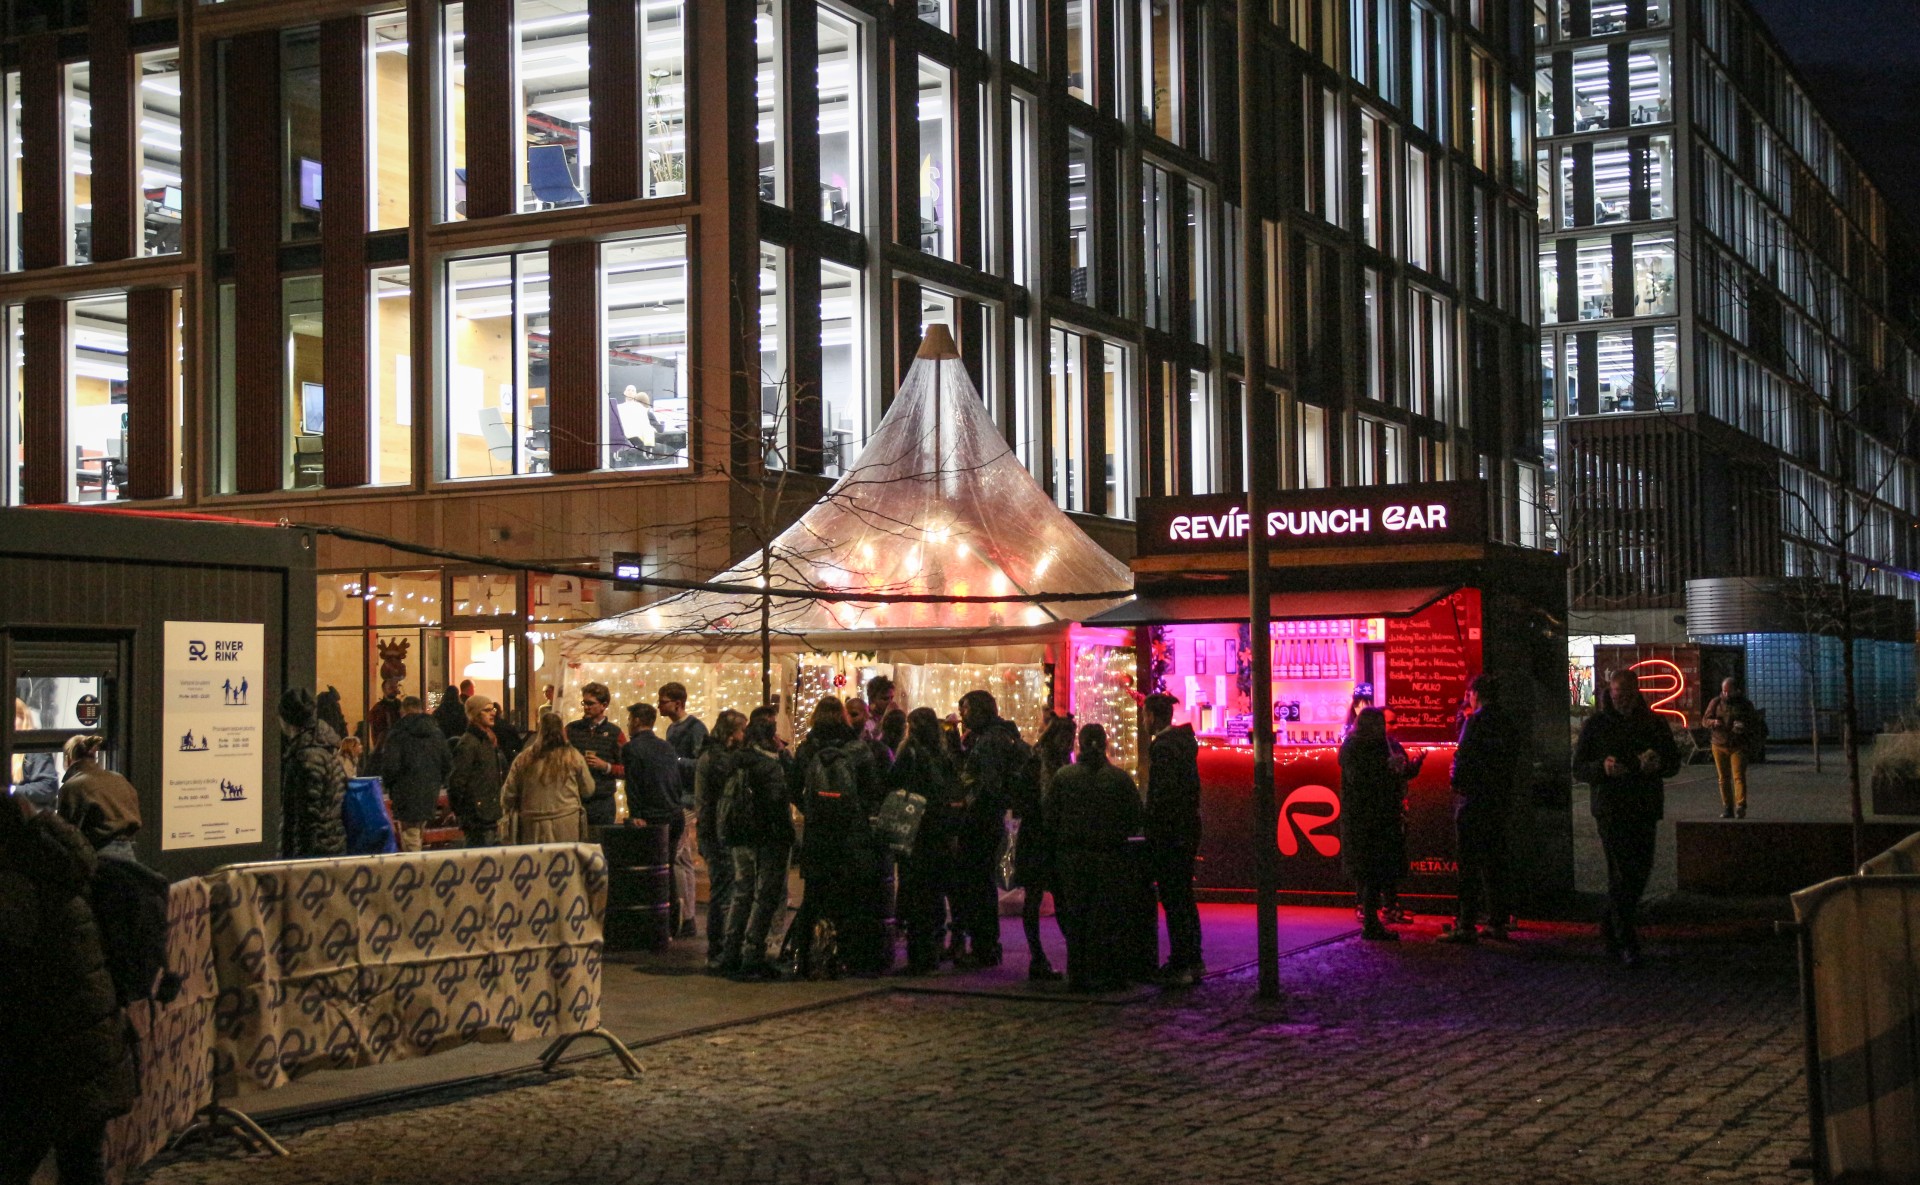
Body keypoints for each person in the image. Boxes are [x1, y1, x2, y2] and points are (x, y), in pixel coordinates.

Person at [0, 798, 137, 1185]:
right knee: (82, 1163)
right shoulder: (60, 870)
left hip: (44, 1057)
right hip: (90, 1051)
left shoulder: (15, 887)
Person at [1575, 668, 1682, 967]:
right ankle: (1626, 940)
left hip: (1644, 807)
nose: (1623, 700)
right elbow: (1579, 767)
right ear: (1610, 692)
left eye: (1628, 695)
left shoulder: (1653, 723)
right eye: (1618, 694)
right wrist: (1603, 768)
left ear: (1637, 693)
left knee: (1639, 871)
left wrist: (1657, 764)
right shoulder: (1596, 725)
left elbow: (1673, 763)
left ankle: (1611, 926)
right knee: (1622, 871)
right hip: (1611, 808)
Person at [792, 696, 889, 975]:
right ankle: (849, 957)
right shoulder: (859, 749)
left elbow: (793, 787)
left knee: (814, 896)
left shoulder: (807, 750)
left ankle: (807, 958)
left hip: (817, 833)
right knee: (850, 896)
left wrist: (811, 809)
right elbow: (872, 791)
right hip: (850, 834)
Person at [1048, 723, 1144, 992]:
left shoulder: (1064, 777)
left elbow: (1050, 816)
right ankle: (1111, 973)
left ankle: (1078, 974)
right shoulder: (1119, 779)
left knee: (1076, 917)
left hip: (1073, 855)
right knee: (1109, 916)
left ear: (1080, 743)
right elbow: (1135, 817)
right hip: (1110, 854)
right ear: (1105, 744)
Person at [954, 690, 1028, 969]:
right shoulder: (996, 736)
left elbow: (988, 785)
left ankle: (984, 945)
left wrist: (968, 802)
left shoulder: (990, 740)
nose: (962, 715)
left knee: (978, 882)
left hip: (982, 819)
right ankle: (984, 943)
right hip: (989, 817)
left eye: (966, 709)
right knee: (979, 881)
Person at [1443, 675, 1518, 944]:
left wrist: (1457, 781)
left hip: (1473, 800)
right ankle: (1497, 921)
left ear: (1475, 693)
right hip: (1498, 799)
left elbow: (1463, 757)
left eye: (1469, 694)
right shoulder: (1508, 723)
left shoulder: (1475, 721)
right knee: (1495, 862)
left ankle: (1465, 924)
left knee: (1469, 864)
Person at [720, 711, 794, 979]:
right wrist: (784, 755)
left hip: (739, 836)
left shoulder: (736, 760)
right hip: (767, 837)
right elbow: (781, 797)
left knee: (742, 893)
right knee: (765, 897)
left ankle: (730, 951)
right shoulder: (770, 765)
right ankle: (752, 955)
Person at [892, 707, 964, 975]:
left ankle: (920, 956)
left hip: (916, 828)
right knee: (933, 894)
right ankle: (933, 950)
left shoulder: (911, 753)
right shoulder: (942, 755)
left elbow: (894, 782)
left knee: (916, 893)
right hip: (938, 829)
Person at [1339, 708, 1420, 941]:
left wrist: (1400, 770)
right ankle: (1372, 923)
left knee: (1370, 870)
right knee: (1372, 869)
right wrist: (1391, 770)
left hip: (1364, 816)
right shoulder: (1365, 747)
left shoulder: (1357, 746)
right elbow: (1366, 781)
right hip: (1371, 816)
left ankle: (1372, 921)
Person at [1142, 693, 1205, 985]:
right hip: (1187, 828)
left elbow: (1161, 795)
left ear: (1153, 717)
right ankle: (1193, 957)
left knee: (1173, 896)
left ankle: (1181, 959)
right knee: (1183, 896)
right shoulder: (1183, 744)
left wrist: (1152, 825)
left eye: (1145, 716)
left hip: (1170, 833)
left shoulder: (1163, 748)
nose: (1144, 722)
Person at [1013, 713, 1073, 981]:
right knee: (1054, 897)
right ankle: (1055, 956)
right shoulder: (1051, 766)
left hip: (1038, 836)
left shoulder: (1040, 763)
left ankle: (1041, 958)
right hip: (1045, 837)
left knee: (1039, 897)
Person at [622, 702, 689, 930]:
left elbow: (633, 785)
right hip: (673, 812)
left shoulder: (632, 749)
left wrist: (637, 814)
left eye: (630, 720)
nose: (628, 724)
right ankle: (674, 917)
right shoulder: (666, 747)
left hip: (652, 815)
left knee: (651, 870)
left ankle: (655, 921)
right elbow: (675, 781)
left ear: (637, 721)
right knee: (668, 865)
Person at [693, 710, 747, 971]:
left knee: (724, 888)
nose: (743, 736)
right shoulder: (718, 759)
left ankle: (721, 946)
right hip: (717, 833)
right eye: (741, 731)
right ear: (730, 733)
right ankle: (718, 948)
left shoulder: (712, 755)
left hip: (713, 830)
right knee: (723, 890)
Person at [659, 682, 707, 940]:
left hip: (687, 800)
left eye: (664, 701)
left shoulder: (695, 728)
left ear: (677, 703)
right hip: (678, 798)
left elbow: (701, 763)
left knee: (678, 854)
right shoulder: (672, 729)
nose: (659, 705)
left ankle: (686, 915)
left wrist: (675, 762)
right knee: (682, 856)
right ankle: (686, 914)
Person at [376, 695, 454, 853]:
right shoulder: (436, 733)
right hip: (430, 791)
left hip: (405, 792)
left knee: (410, 834)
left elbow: (391, 766)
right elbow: (447, 764)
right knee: (418, 831)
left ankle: (415, 871)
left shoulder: (397, 733)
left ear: (402, 711)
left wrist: (389, 785)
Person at [500, 713, 592, 844]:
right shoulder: (573, 757)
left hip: (532, 823)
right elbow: (588, 789)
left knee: (536, 862)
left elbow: (508, 794)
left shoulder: (524, 758)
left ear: (540, 730)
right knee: (564, 861)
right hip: (566, 820)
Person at [279, 687, 347, 858]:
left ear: (287, 720)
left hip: (313, 857)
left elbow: (307, 820)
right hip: (334, 848)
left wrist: (294, 860)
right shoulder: (325, 749)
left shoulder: (306, 758)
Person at [55, 735, 142, 859]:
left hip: (97, 854)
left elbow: (66, 832)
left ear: (68, 759)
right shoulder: (119, 779)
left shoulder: (72, 787)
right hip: (128, 851)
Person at [447, 694, 508, 847]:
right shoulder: (469, 743)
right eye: (487, 710)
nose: (493, 713)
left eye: (492, 709)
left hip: (490, 813)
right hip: (478, 817)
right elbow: (457, 781)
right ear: (475, 714)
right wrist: (464, 810)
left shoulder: (488, 740)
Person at [567, 683, 625, 828]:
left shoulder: (615, 733)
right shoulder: (571, 729)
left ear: (604, 705)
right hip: (575, 800)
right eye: (584, 703)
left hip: (602, 802)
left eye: (590, 703)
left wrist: (606, 767)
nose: (586, 707)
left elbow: (628, 769)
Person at [1703, 677, 1760, 819]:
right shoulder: (1716, 702)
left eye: (1729, 691)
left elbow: (1753, 722)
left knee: (1738, 776)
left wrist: (1743, 726)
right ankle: (1727, 807)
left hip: (1737, 744)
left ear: (1736, 690)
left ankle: (1740, 806)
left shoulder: (1745, 704)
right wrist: (1713, 722)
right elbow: (1704, 720)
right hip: (1719, 743)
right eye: (1724, 691)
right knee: (1723, 778)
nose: (1726, 694)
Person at [11, 698, 60, 812]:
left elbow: (47, 787)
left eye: (11, 718)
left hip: (28, 820)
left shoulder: (33, 747)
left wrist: (12, 790)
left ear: (23, 717)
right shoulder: (8, 747)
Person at [864, 675, 898, 741]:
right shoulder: (864, 717)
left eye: (892, 698)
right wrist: (884, 718)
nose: (890, 702)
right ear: (873, 699)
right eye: (885, 699)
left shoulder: (893, 717)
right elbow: (868, 741)